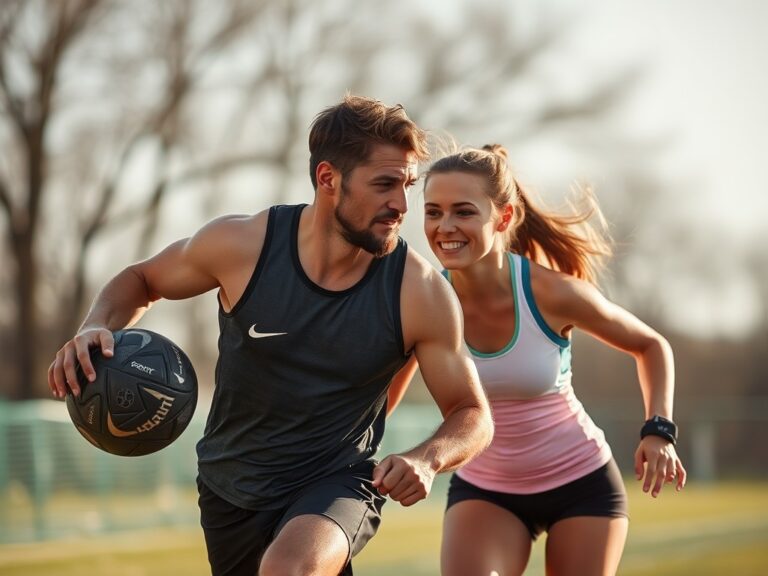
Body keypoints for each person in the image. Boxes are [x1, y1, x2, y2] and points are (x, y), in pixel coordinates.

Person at [48, 95, 494, 576]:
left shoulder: (419, 292)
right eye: (385, 184)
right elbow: (140, 280)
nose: (401, 205)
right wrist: (96, 325)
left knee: (288, 568)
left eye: (407, 185)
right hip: (230, 485)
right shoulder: (241, 246)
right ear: (328, 179)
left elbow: (473, 414)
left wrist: (427, 459)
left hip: (337, 481)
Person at [388, 144, 687, 576]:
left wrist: (659, 431)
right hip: (485, 489)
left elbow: (651, 345)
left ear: (504, 217)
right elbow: (384, 399)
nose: (445, 226)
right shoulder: (424, 300)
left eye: (464, 212)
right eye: (433, 212)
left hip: (581, 483)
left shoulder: (551, 294)